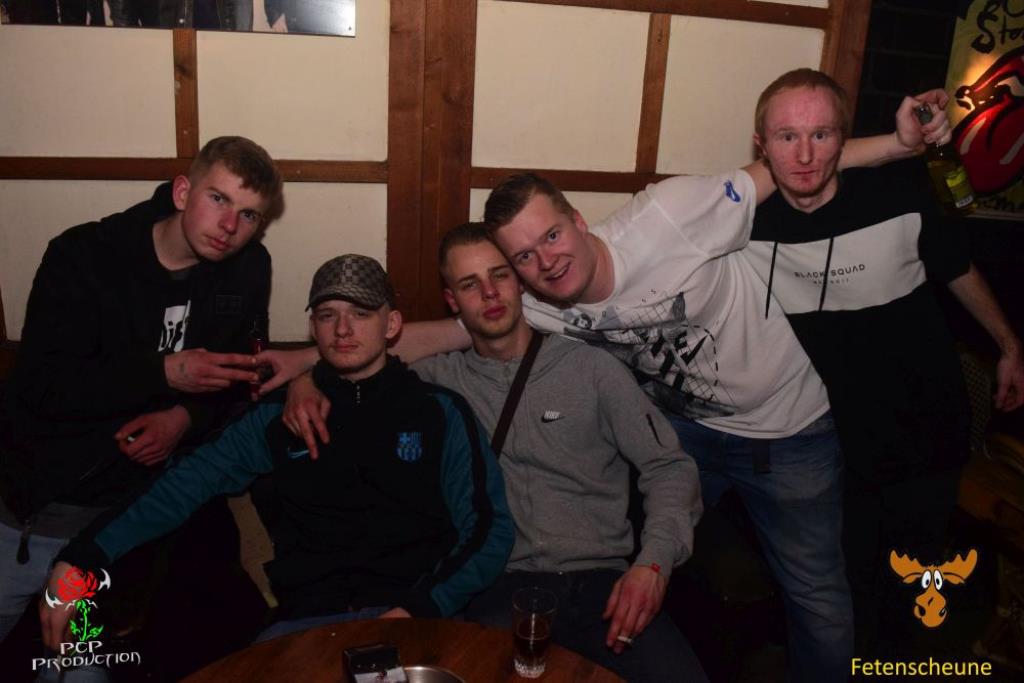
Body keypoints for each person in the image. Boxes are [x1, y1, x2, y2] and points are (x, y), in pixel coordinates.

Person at [271, 91, 952, 682]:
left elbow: (790, 160)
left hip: (787, 427)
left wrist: (898, 144)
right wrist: (310, 362)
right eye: (523, 257)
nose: (546, 261)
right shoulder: (540, 302)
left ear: (578, 219)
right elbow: (436, 334)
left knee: (816, 594)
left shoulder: (673, 214)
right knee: (683, 577)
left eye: (552, 236)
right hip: (688, 429)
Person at [38, 254, 514, 651]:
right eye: (327, 315)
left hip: (419, 619)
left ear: (391, 325)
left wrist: (421, 606)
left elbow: (489, 529)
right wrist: (83, 557)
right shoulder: (275, 418)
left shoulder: (438, 411)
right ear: (313, 326)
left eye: (361, 313)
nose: (343, 329)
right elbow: (181, 486)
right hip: (308, 627)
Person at [743, 68, 1024, 655]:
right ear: (761, 145)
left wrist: (1008, 344)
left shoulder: (898, 194)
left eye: (822, 135)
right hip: (826, 442)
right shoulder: (744, 227)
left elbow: (957, 268)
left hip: (925, 429)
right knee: (841, 593)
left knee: (912, 593)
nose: (804, 155)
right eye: (787, 137)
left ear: (844, 141)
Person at [0, 136, 282, 643]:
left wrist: (183, 419)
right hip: (42, 501)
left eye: (248, 215)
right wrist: (163, 373)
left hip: (138, 516)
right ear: (182, 192)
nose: (229, 226)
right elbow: (43, 386)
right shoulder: (85, 255)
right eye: (218, 199)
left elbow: (236, 382)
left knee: (109, 657)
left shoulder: (248, 269)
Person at [405, 223, 703, 682]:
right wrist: (308, 379)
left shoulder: (592, 369)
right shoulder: (439, 382)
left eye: (500, 275)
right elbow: (359, 359)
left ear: (520, 282)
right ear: (452, 301)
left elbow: (669, 467)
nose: (490, 293)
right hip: (499, 588)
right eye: (470, 284)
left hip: (602, 582)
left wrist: (654, 564)